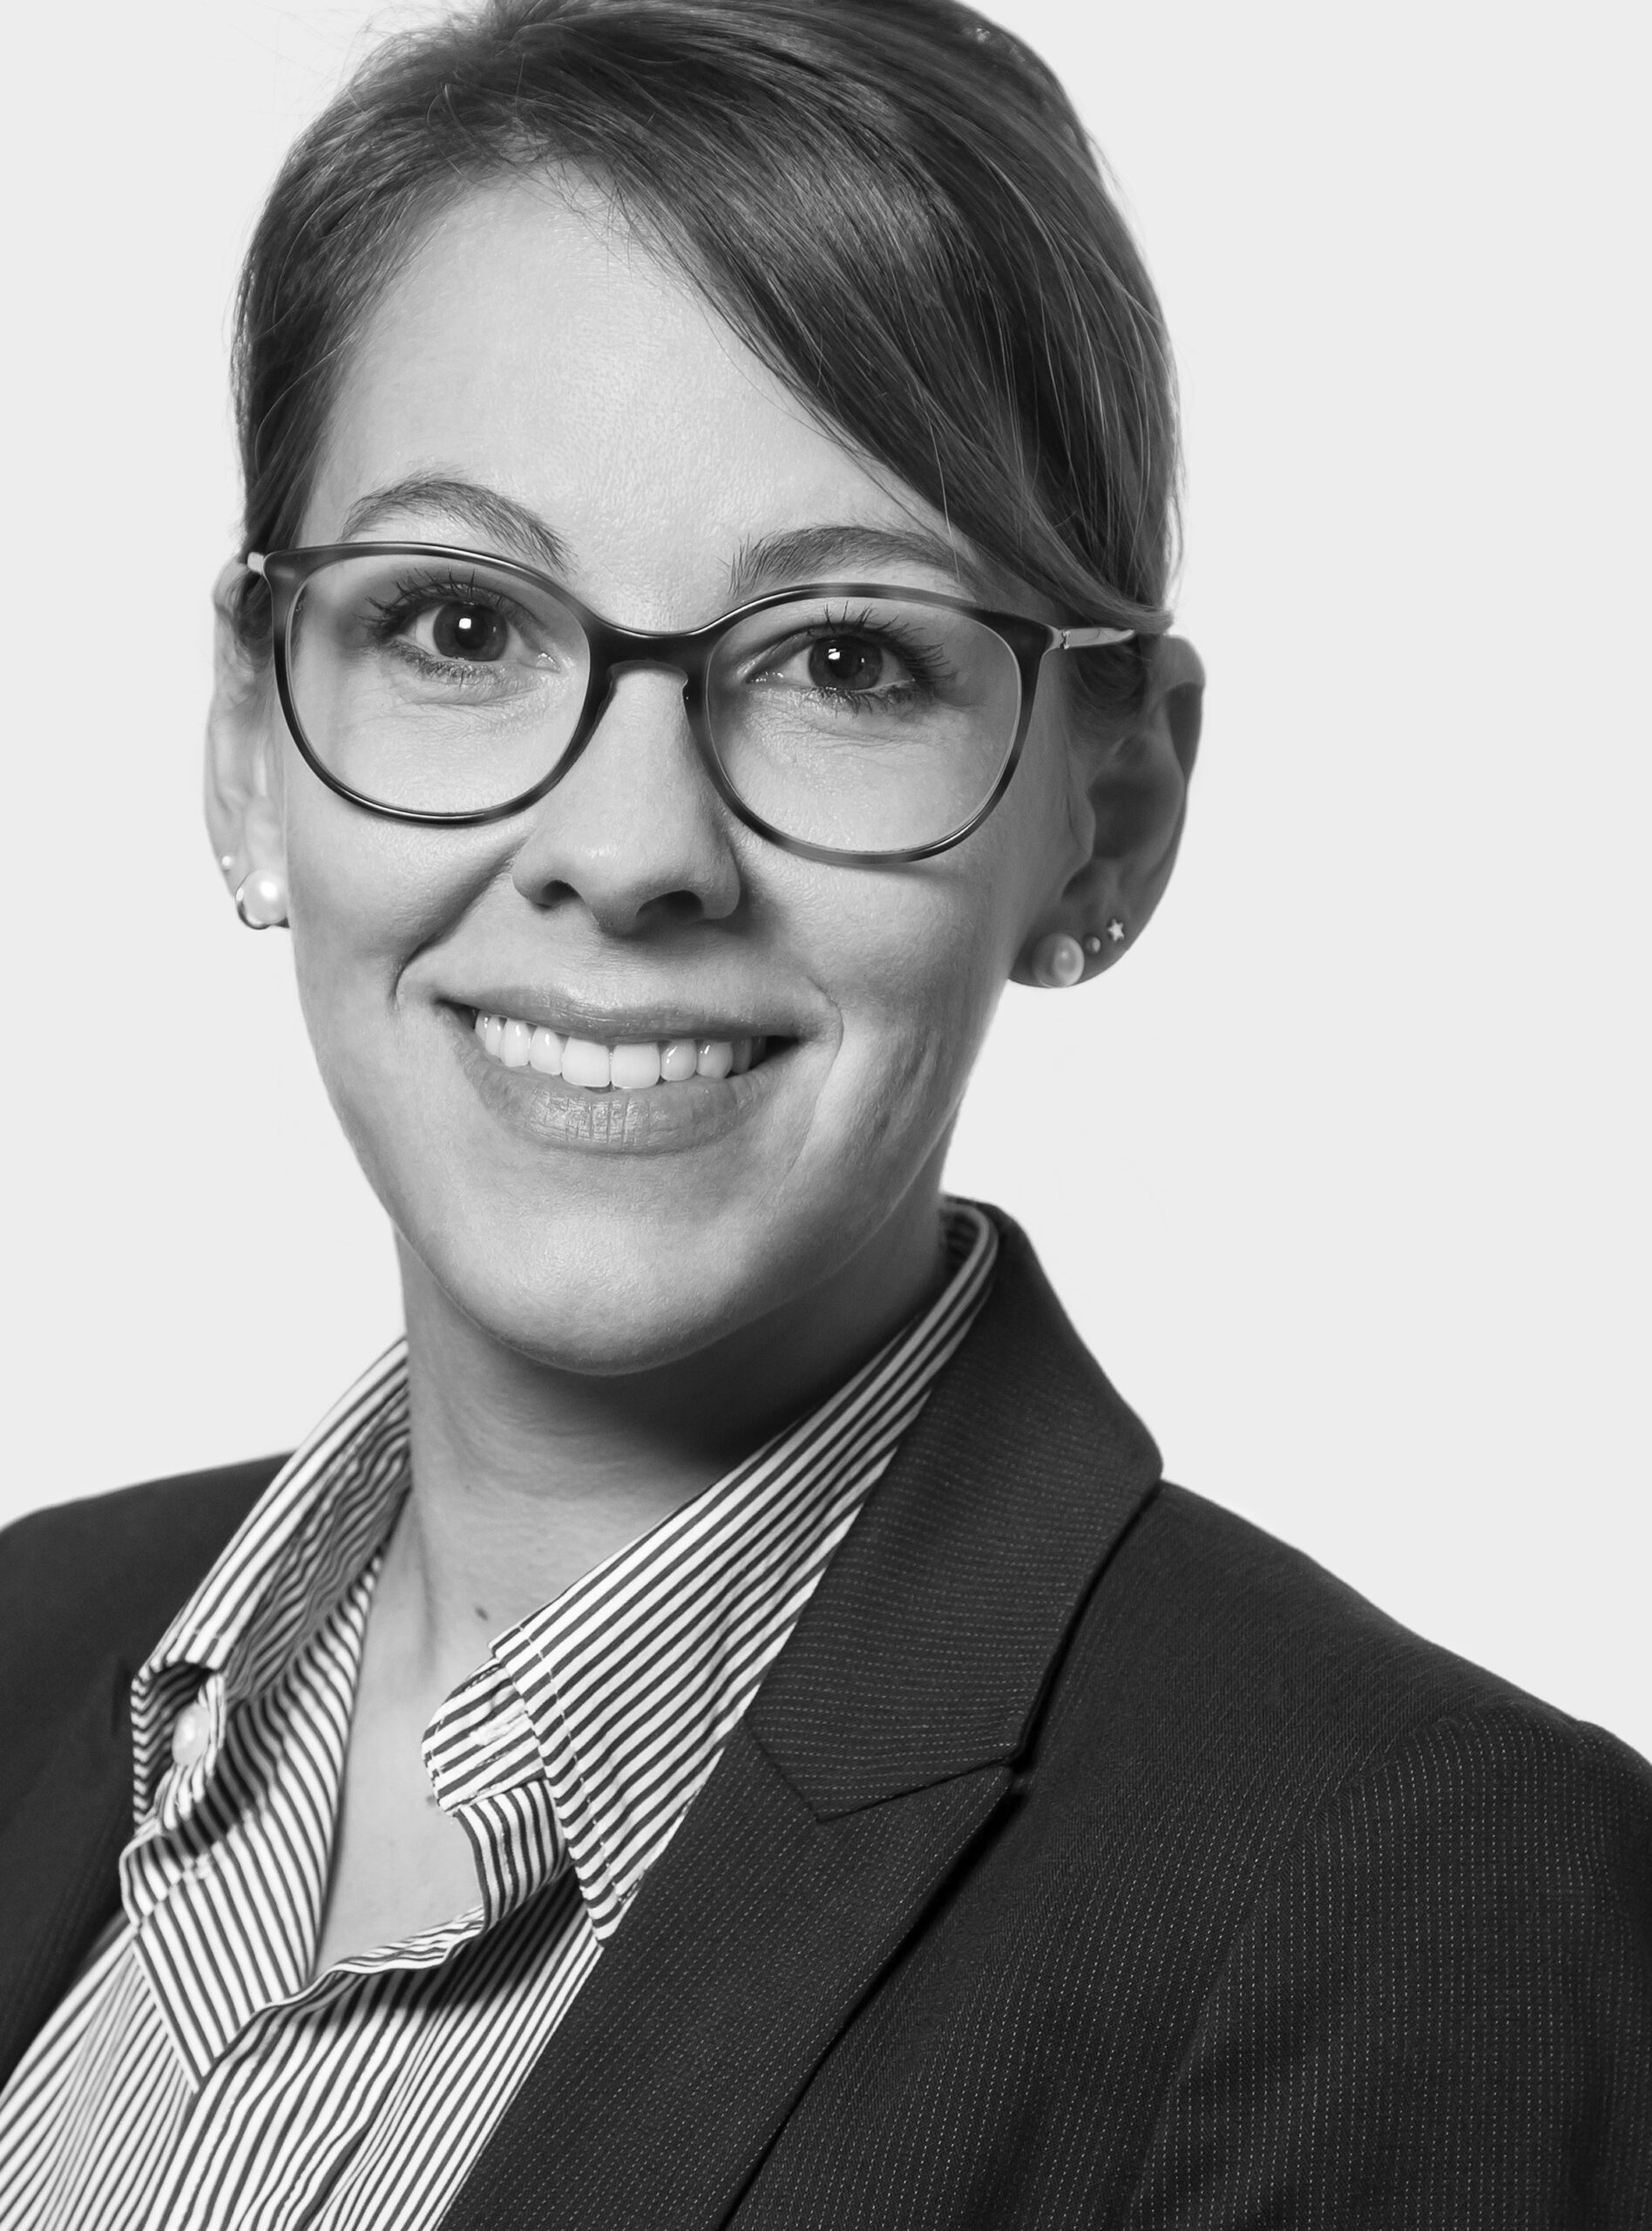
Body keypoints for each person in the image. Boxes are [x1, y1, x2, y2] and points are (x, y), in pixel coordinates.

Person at [0, 0, 1647, 2221]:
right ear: (247, 736)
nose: (630, 847)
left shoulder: (1416, 1904)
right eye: (460, 623)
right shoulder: (26, 1643)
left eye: (848, 660)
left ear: (1110, 806)